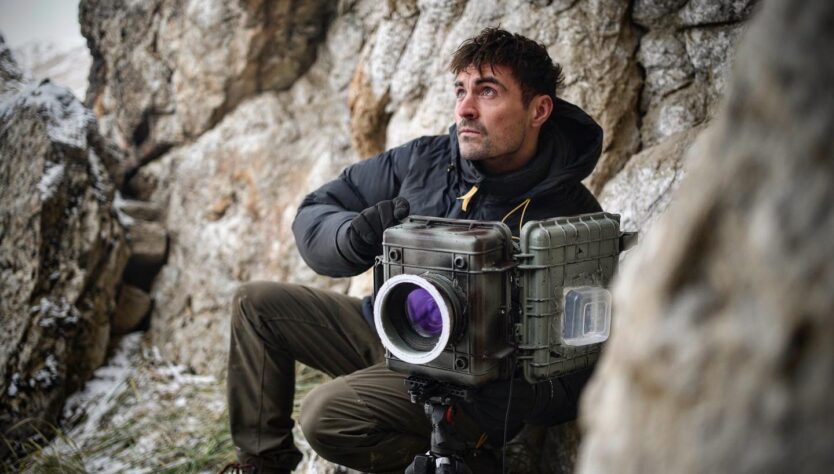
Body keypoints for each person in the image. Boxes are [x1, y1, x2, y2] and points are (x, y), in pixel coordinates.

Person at [226, 27, 603, 473]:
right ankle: (261, 465)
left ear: (539, 109)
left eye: (487, 92)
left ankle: (465, 463)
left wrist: (529, 395)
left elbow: (589, 362)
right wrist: (352, 237)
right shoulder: (424, 160)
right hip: (391, 333)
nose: (465, 108)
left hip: (472, 389)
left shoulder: (569, 217)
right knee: (256, 304)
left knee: (326, 414)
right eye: (460, 90)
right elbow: (317, 208)